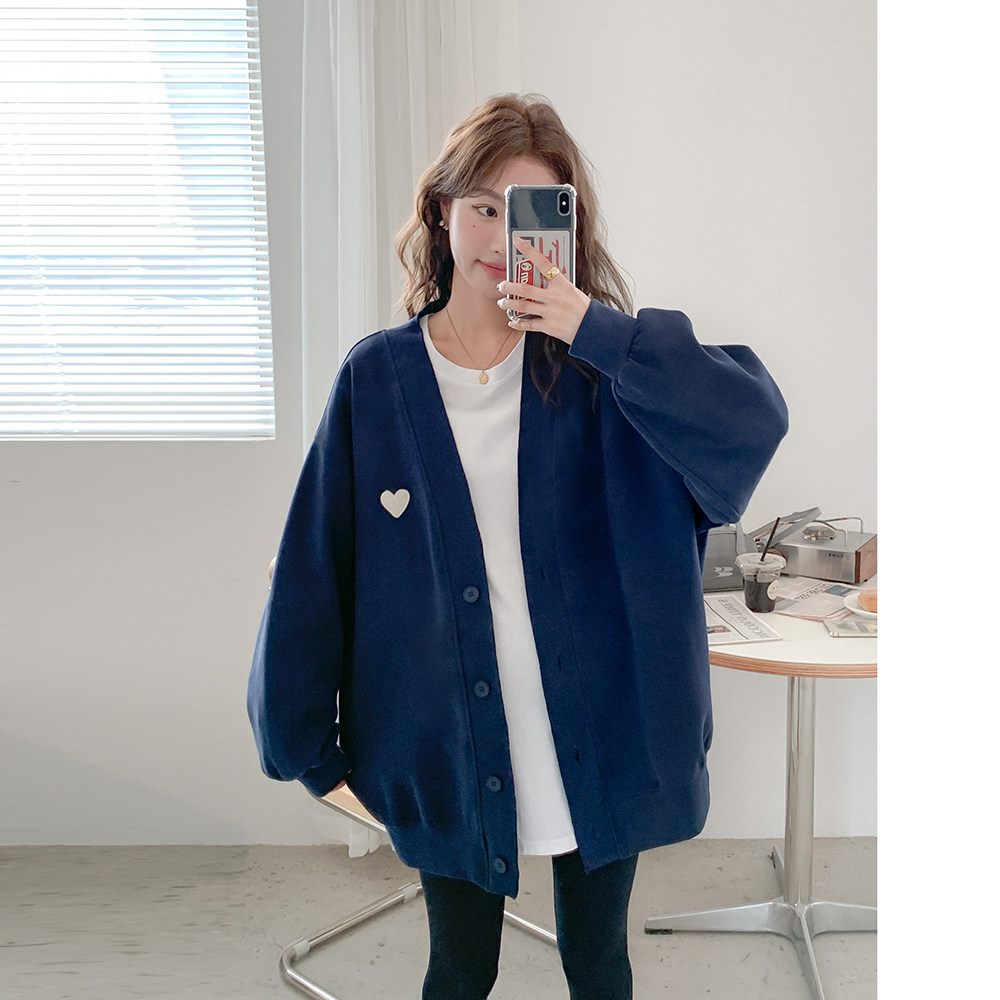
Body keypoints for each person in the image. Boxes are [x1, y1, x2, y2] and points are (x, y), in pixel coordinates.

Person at [248, 93, 788, 1000]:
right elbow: (316, 564)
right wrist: (304, 738)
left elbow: (749, 422)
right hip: (446, 733)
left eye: (533, 211)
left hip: (599, 722)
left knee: (598, 961)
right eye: (483, 207)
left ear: (567, 226)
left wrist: (593, 328)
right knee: (461, 968)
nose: (503, 237)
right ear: (441, 211)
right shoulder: (378, 378)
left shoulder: (604, 371)